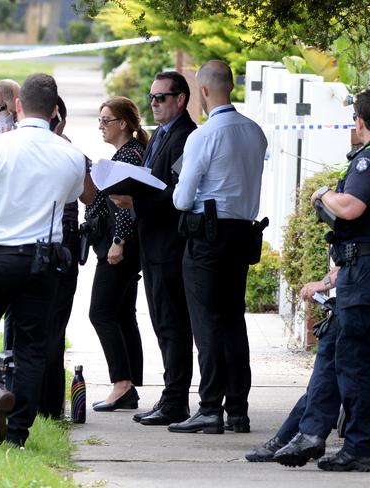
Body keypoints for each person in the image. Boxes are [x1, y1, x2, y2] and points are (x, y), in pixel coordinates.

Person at [272, 90, 370, 472]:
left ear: (359, 122)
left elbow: (352, 207)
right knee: (334, 348)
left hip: (365, 274)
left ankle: (359, 448)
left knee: (351, 358)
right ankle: (306, 434)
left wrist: (324, 192)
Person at [0, 73, 86, 447]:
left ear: (19, 106)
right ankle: (17, 435)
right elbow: (76, 195)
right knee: (32, 348)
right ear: (55, 111)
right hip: (44, 261)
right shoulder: (71, 154)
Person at [169, 60, 267, 434]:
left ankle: (210, 407)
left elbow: (182, 199)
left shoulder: (204, 136)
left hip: (207, 237)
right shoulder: (254, 132)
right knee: (232, 321)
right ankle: (237, 409)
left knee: (207, 324)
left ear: (204, 91)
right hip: (242, 235)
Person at [110, 71, 197, 426]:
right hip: (153, 243)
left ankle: (176, 399)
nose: (155, 103)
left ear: (181, 99)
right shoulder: (162, 134)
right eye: (152, 97)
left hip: (170, 244)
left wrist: (135, 202)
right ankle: (169, 395)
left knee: (173, 324)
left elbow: (176, 195)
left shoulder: (185, 137)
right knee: (162, 322)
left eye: (162, 97)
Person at [87, 96, 148, 411]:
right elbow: (100, 201)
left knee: (101, 312)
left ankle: (122, 384)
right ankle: (129, 387)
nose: (101, 126)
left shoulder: (128, 156)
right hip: (124, 243)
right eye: (99, 120)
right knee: (123, 313)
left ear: (123, 123)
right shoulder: (128, 153)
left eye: (106, 120)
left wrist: (119, 241)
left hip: (120, 246)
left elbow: (124, 203)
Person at [38, 96, 96, 418]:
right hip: (62, 248)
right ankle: (49, 405)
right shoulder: (71, 153)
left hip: (25, 247)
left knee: (28, 326)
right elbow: (90, 194)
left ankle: (29, 399)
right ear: (59, 117)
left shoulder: (17, 148)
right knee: (55, 325)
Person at [245, 268, 341, 462]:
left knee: (326, 374)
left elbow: (361, 256)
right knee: (325, 377)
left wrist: (324, 284)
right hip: (363, 295)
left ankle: (299, 438)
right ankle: (294, 437)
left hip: (365, 296)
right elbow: (347, 258)